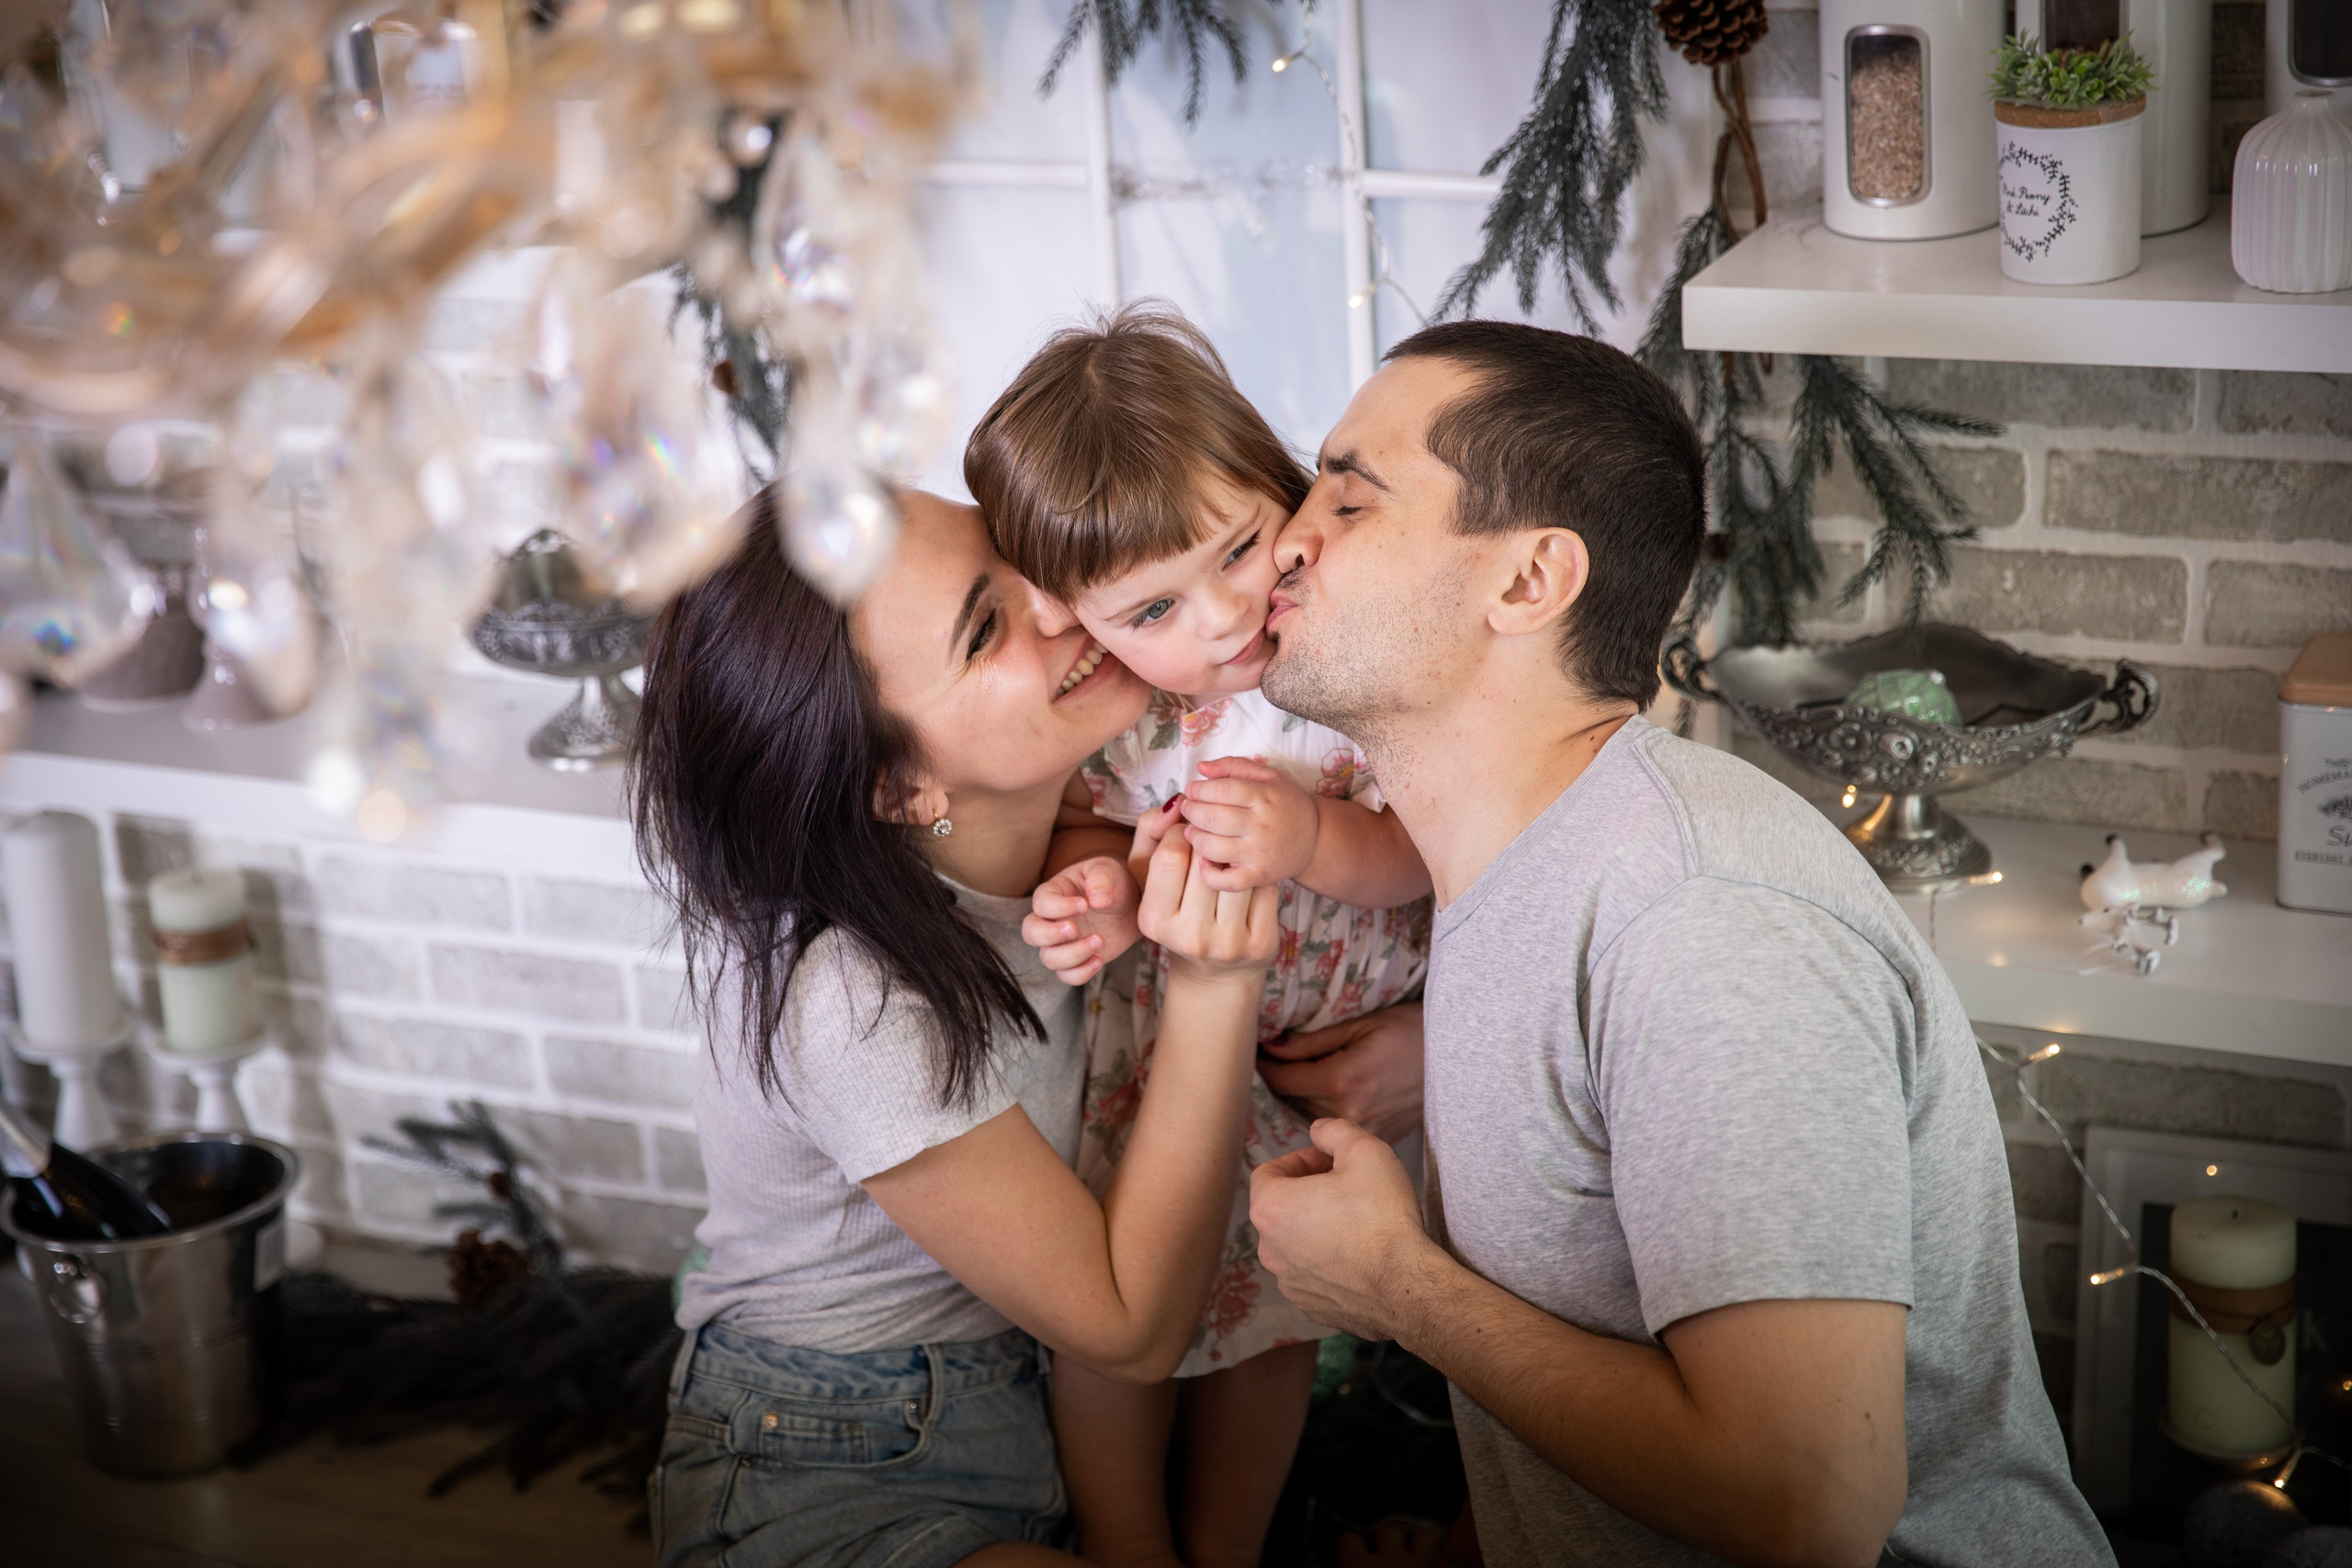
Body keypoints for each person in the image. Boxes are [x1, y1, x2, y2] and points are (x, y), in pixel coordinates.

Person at [1246, 321, 2114, 1568]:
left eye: (1349, 495)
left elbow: (1807, 1502)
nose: (1287, 534)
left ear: (1528, 580)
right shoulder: (1506, 872)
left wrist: (1398, 1287)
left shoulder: (1697, 912)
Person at [633, 488, 1281, 1568]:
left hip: (1043, 1408)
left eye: (1021, 558)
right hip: (829, 1453)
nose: (1064, 603)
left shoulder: (1114, 805)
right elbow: (1127, 1324)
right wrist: (1220, 984)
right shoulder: (849, 994)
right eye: (988, 628)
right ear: (898, 782)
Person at [965, 305, 1434, 1568]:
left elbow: (1431, 850)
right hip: (1170, 1051)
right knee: (1134, 1293)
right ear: (1085, 625)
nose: (1225, 617)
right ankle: (1128, 1537)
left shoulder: (1348, 663)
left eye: (1240, 547)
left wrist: (1314, 840)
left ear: (1280, 480)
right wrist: (1100, 894)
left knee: (1272, 1310)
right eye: (1154, 608)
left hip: (1339, 1037)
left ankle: (1228, 1541)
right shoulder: (1136, 714)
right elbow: (1084, 825)